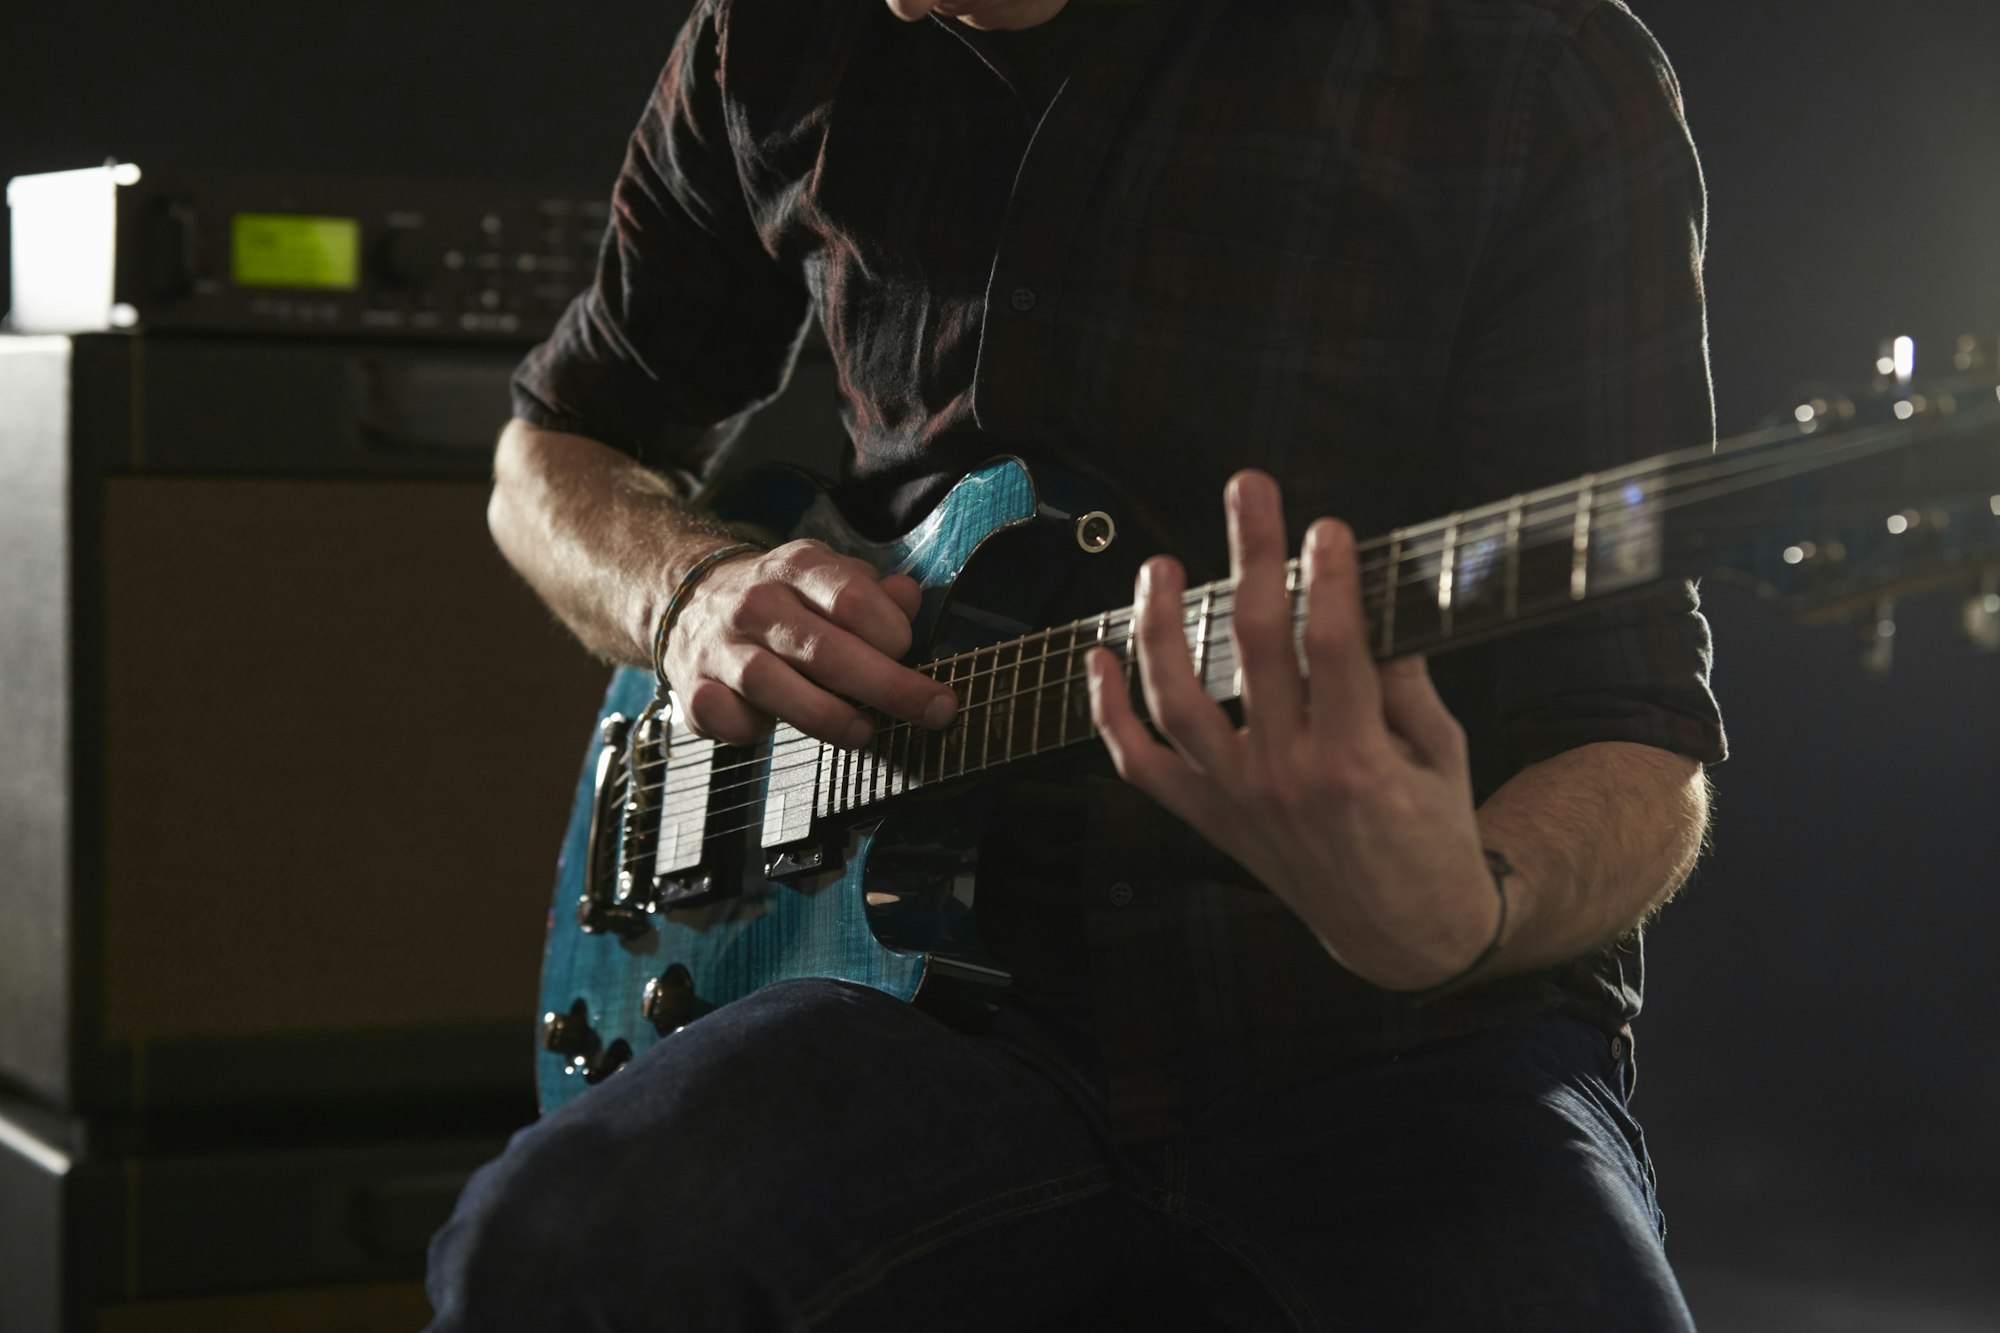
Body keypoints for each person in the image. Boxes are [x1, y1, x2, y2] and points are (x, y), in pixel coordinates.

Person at [427, 0, 1726, 1326]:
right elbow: (550, 458)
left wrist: (1473, 913)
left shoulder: (1524, 66)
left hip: (1386, 1036)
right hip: (911, 1001)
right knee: (545, 1258)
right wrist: (689, 591)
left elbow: (1635, 732)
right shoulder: (773, 32)